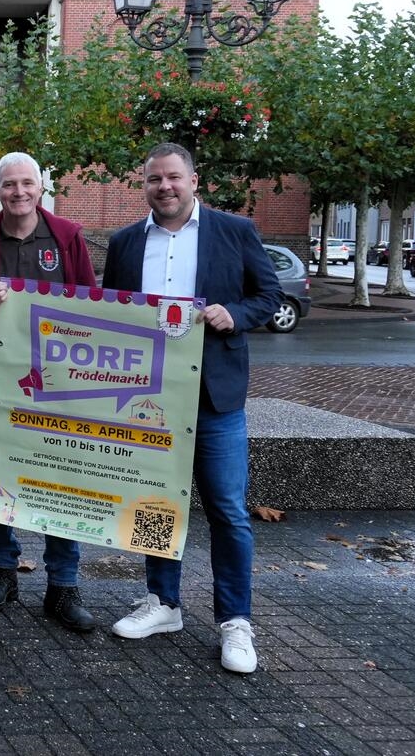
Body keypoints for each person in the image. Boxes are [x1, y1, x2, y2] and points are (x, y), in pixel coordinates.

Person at [101, 142, 281, 675]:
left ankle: (236, 622)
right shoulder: (126, 242)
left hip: (214, 398)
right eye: (155, 179)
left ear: (194, 181)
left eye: (174, 178)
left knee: (227, 510)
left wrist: (237, 314)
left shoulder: (235, 231)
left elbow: (269, 296)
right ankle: (164, 604)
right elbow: (113, 313)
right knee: (155, 501)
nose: (165, 187)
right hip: (150, 400)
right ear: (146, 185)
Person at [0, 152, 98, 630]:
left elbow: (93, 305)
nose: (19, 192)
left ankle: (63, 583)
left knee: (64, 480)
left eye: (28, 183)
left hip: (63, 390)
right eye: (9, 185)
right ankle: (2, 572)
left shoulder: (68, 237)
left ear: (42, 187)